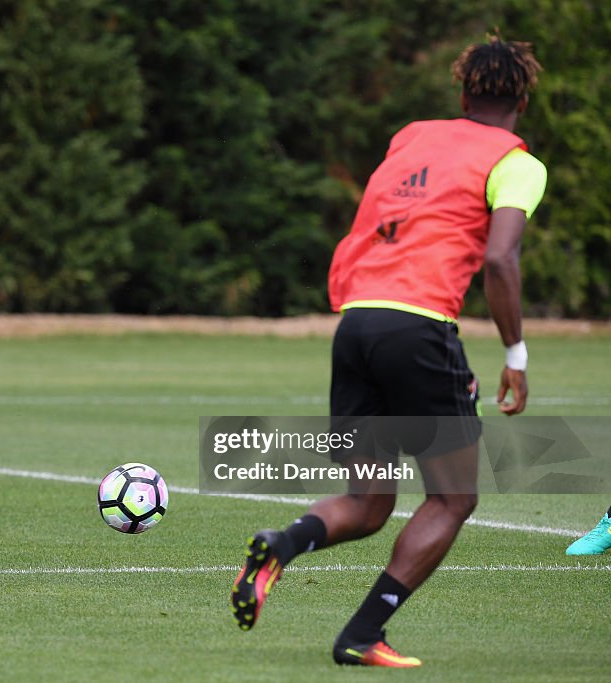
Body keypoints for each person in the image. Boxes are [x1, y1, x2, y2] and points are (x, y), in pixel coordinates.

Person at [230, 36, 545, 667]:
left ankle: (283, 543)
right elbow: (499, 257)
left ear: (463, 95)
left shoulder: (411, 138)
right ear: (523, 101)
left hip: (358, 323)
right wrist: (515, 353)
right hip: (420, 329)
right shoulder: (517, 162)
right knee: (454, 499)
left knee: (369, 501)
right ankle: (363, 633)